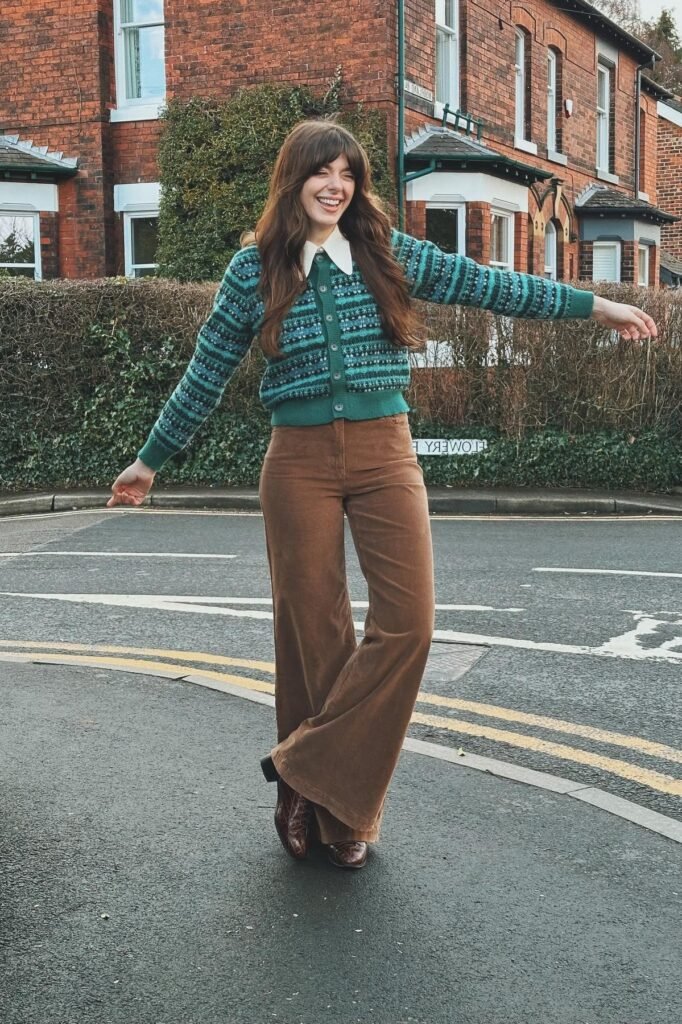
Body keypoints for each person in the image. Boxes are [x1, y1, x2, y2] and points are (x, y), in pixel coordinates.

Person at [108, 119, 658, 870]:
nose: (335, 185)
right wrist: (150, 460)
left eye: (348, 173)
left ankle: (302, 769)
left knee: (410, 622)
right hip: (295, 460)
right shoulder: (255, 269)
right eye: (321, 171)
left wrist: (600, 308)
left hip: (384, 451)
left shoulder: (385, 252)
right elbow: (207, 371)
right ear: (293, 179)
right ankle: (335, 817)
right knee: (312, 634)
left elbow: (496, 285)